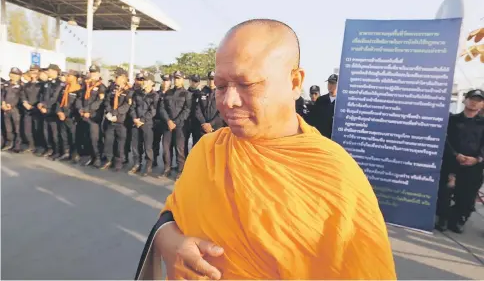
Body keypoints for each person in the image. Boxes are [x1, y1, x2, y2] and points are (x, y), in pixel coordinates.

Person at [136, 19, 395, 280]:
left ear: (295, 82)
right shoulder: (208, 149)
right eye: (221, 86)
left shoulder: (335, 177)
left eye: (247, 84)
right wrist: (167, 239)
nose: (229, 101)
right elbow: (173, 212)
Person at [435, 89, 484, 233]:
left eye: (478, 100)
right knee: (445, 193)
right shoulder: (452, 120)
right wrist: (456, 155)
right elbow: (445, 140)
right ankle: (442, 219)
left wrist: (477, 159)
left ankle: (457, 220)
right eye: (471, 98)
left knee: (466, 197)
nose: (474, 102)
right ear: (464, 100)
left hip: (473, 166)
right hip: (452, 163)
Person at [159, 70, 192, 180]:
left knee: (180, 149)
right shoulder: (168, 93)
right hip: (167, 125)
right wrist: (168, 121)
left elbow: (187, 110)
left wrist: (176, 122)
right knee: (166, 149)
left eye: (178, 78)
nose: (176, 80)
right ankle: (167, 168)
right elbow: (162, 108)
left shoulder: (187, 94)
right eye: (175, 78)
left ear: (182, 79)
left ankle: (180, 170)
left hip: (180, 126)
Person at [101, 69, 133, 171]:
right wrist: (110, 112)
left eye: (117, 77)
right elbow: (107, 101)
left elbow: (127, 105)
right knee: (109, 141)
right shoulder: (112, 88)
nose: (115, 79)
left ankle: (118, 162)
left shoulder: (129, 91)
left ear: (123, 78)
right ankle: (109, 160)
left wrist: (115, 114)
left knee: (120, 143)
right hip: (110, 119)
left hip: (121, 121)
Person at [128, 73, 159, 176]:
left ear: (151, 82)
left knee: (148, 146)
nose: (143, 82)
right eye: (142, 80)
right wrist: (134, 119)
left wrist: (141, 120)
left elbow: (152, 111)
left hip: (147, 124)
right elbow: (132, 107)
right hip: (136, 123)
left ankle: (148, 166)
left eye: (145, 80)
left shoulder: (155, 95)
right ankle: (137, 164)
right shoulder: (137, 93)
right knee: (135, 145)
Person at [76, 64, 106, 167]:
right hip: (84, 114)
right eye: (91, 72)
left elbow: (99, 102)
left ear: (99, 74)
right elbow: (79, 98)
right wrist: (80, 109)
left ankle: (98, 157)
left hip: (94, 116)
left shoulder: (101, 87)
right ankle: (89, 156)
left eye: (94, 73)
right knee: (86, 137)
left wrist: (88, 110)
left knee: (95, 138)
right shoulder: (86, 85)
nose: (92, 75)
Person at [55, 70, 83, 162]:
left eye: (70, 76)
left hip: (72, 116)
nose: (67, 77)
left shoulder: (79, 89)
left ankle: (75, 154)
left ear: (75, 78)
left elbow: (78, 104)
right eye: (67, 75)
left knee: (74, 136)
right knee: (64, 135)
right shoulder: (65, 88)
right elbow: (59, 101)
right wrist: (59, 112)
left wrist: (67, 114)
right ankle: (66, 153)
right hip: (62, 115)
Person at [37, 64, 63, 158]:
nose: (48, 72)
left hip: (53, 111)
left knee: (54, 133)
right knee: (46, 132)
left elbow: (55, 98)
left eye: (50, 71)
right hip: (44, 111)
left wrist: (45, 106)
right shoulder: (46, 83)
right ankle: (49, 148)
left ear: (55, 71)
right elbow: (42, 95)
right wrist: (40, 103)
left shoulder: (59, 84)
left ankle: (57, 150)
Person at [194, 70, 225, 143]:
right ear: (207, 80)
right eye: (210, 79)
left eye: (213, 79)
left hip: (216, 128)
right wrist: (204, 124)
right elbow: (197, 110)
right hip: (202, 128)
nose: (211, 81)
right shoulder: (202, 92)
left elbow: (222, 112)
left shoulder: (222, 93)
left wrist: (210, 124)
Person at [20, 65, 43, 153]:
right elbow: (22, 94)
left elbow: (43, 96)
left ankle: (39, 146)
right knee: (27, 129)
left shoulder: (41, 84)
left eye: (35, 71)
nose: (33, 73)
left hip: (37, 109)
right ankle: (31, 145)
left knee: (37, 128)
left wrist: (37, 105)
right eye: (31, 71)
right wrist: (24, 102)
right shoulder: (27, 84)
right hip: (27, 109)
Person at [1, 67, 23, 152]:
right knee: (8, 128)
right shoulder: (6, 84)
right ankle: (9, 143)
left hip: (15, 109)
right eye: (12, 74)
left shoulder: (21, 85)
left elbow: (20, 97)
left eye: (15, 75)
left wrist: (11, 105)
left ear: (19, 76)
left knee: (17, 128)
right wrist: (2, 103)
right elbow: (2, 94)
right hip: (5, 108)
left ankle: (17, 145)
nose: (13, 76)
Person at [309, 74, 338, 138]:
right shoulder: (321, 100)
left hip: (334, 138)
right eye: (329, 83)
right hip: (321, 136)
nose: (330, 85)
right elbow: (314, 119)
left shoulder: (340, 102)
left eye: (333, 83)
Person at [153, 74, 171, 168]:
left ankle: (167, 165)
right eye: (164, 80)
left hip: (167, 122)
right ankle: (154, 160)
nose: (165, 82)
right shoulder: (157, 93)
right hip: (156, 121)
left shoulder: (171, 93)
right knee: (154, 142)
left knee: (166, 146)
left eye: (167, 80)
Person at [185, 74, 202, 156]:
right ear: (189, 81)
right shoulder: (184, 93)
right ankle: (184, 163)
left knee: (196, 143)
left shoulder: (201, 94)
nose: (194, 83)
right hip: (185, 121)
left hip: (196, 122)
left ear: (198, 83)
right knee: (183, 144)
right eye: (192, 81)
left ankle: (193, 162)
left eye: (196, 81)